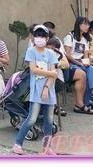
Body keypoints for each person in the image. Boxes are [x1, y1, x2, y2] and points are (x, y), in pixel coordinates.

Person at [12, 25, 60, 155]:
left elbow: (53, 72)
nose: (40, 38)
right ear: (33, 37)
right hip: (36, 91)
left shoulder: (50, 53)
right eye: (37, 35)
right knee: (32, 118)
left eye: (42, 36)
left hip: (48, 90)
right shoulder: (31, 51)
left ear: (47, 38)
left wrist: (47, 86)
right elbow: (34, 70)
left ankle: (47, 147)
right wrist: (51, 73)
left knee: (49, 119)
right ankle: (18, 143)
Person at [63, 17, 93, 113]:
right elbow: (68, 55)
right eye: (85, 24)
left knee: (91, 69)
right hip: (71, 63)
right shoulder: (70, 37)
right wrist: (79, 63)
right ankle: (90, 99)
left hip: (81, 62)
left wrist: (87, 62)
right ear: (79, 25)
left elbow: (85, 56)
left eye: (88, 25)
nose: (87, 27)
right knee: (83, 73)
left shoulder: (85, 39)